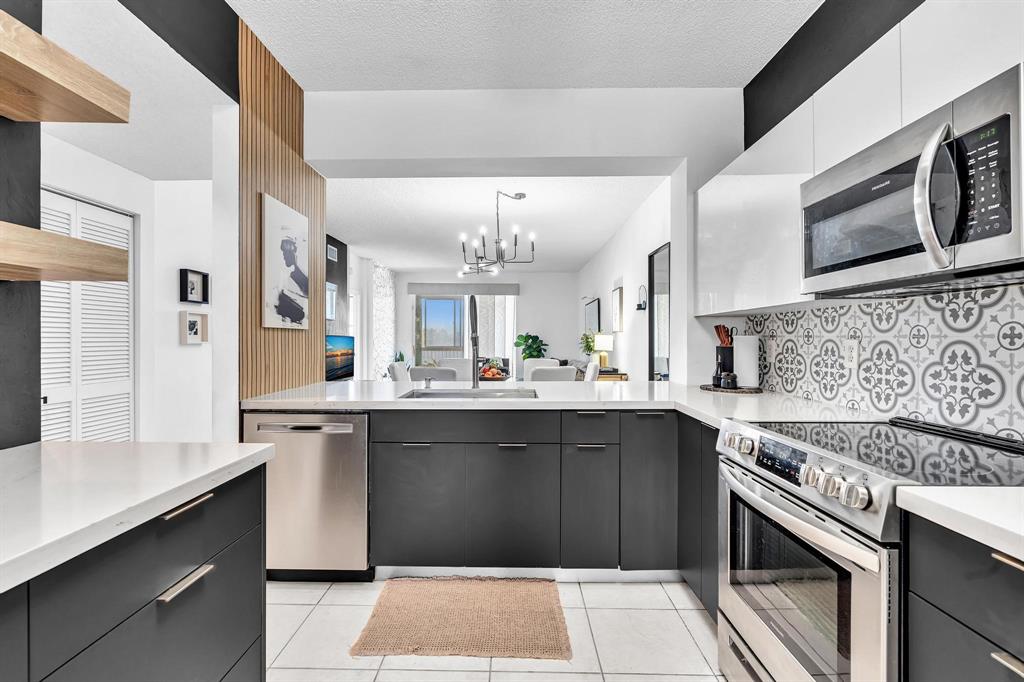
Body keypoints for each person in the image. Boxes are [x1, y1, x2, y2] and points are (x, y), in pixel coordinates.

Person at [273, 235, 308, 324]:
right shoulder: (284, 274)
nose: (285, 256)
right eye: (284, 253)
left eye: (288, 252)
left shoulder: (300, 273)